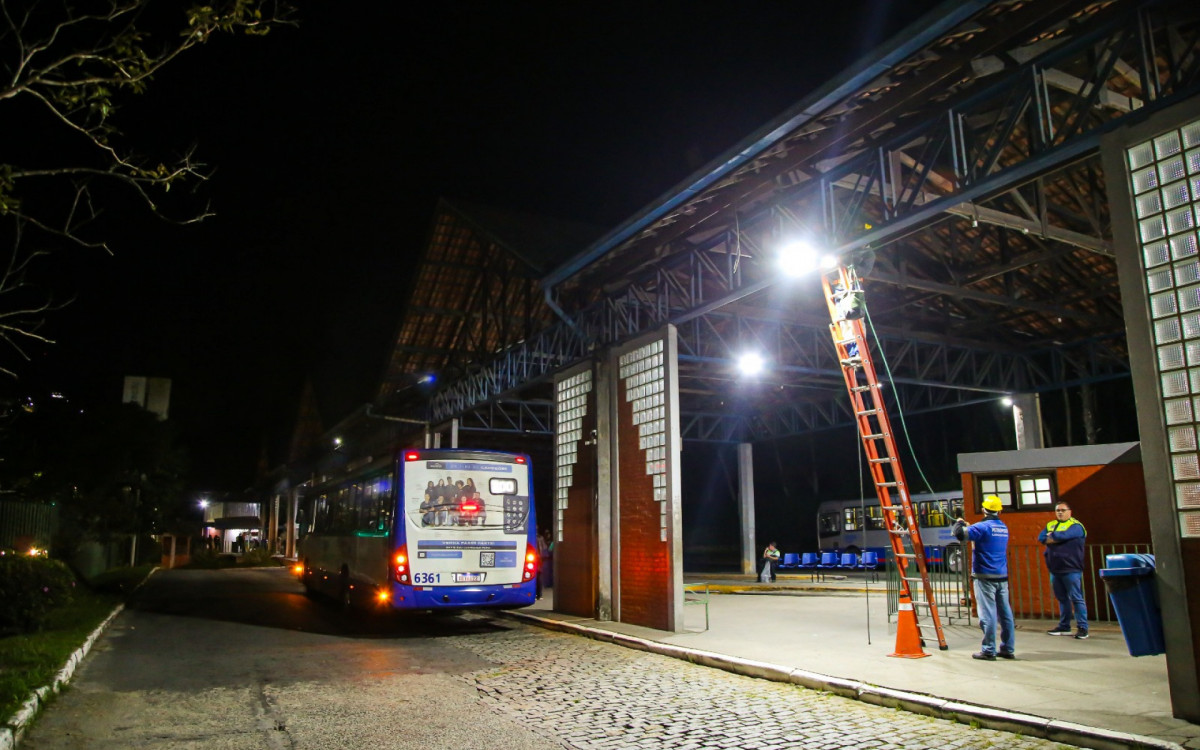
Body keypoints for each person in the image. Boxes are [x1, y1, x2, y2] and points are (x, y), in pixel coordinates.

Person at [953, 494, 1015, 660]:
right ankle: (1008, 648)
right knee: (1005, 614)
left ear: (983, 509)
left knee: (987, 615)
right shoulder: (1003, 527)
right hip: (1001, 576)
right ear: (999, 510)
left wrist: (959, 521)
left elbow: (959, 534)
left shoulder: (983, 527)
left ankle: (988, 650)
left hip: (984, 577)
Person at [1039, 501, 1088, 639]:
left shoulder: (1076, 526)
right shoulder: (1051, 524)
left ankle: (1083, 627)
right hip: (1055, 568)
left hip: (1071, 568)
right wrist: (1051, 537)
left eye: (1062, 510)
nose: (1060, 512)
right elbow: (1041, 538)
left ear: (1069, 511)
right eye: (1057, 510)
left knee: (1076, 598)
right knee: (1062, 598)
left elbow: (1061, 536)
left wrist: (1052, 536)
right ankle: (1064, 626)